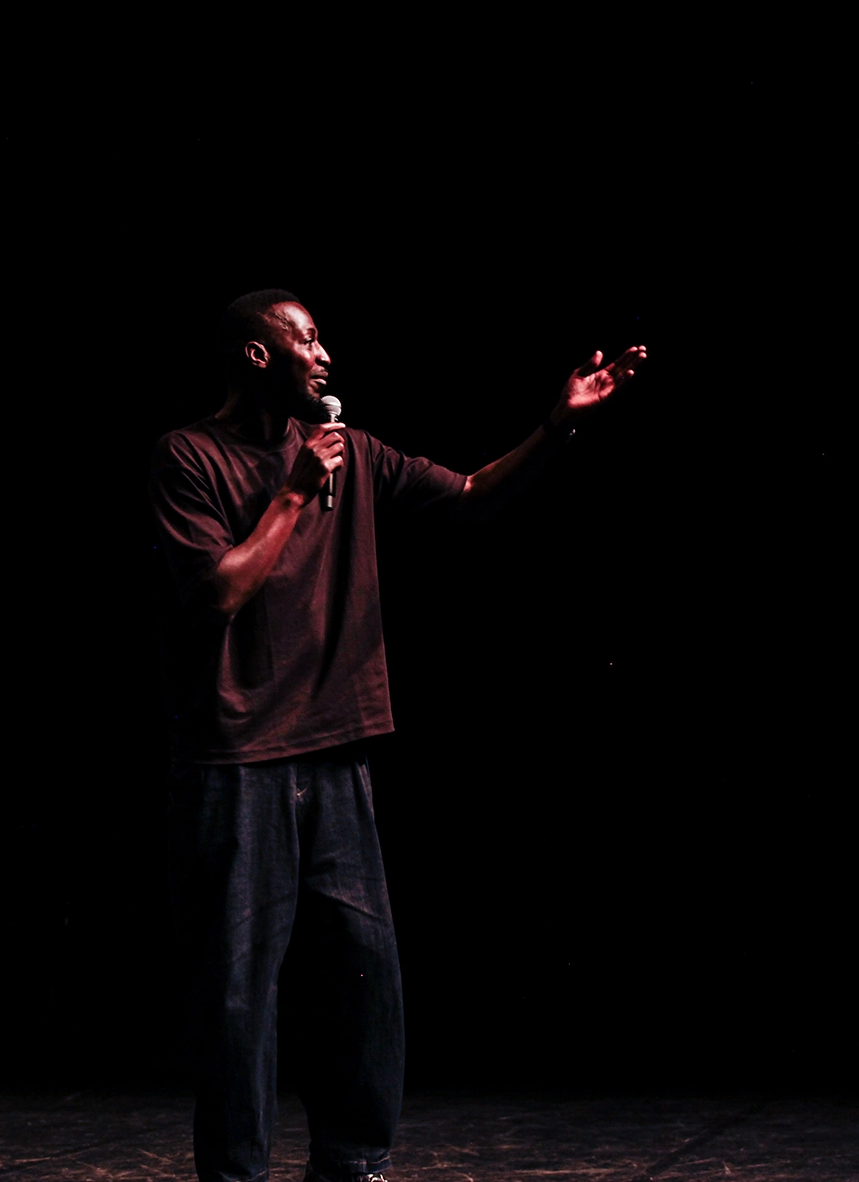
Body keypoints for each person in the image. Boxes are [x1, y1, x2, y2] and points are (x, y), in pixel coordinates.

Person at [148, 289, 644, 1182]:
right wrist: (293, 495)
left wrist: (558, 425)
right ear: (258, 355)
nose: (324, 355)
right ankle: (236, 1176)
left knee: (362, 974)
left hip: (336, 753)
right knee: (237, 992)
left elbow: (470, 495)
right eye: (306, 340)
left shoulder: (356, 452)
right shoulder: (190, 456)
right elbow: (218, 592)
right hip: (239, 761)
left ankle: (352, 1164)